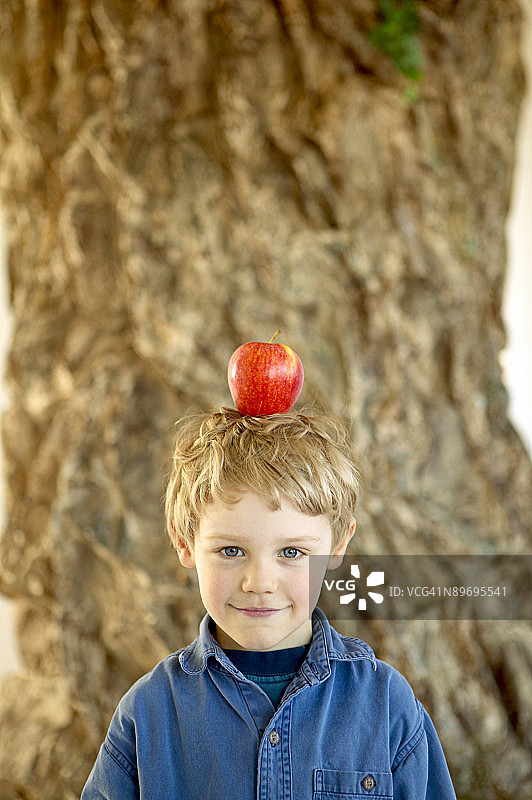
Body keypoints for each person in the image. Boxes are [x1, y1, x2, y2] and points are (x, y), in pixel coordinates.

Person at [81, 406, 457, 799]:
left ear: (337, 546)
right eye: (230, 550)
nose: (259, 583)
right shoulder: (147, 714)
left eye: (291, 552)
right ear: (184, 542)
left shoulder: (387, 704)